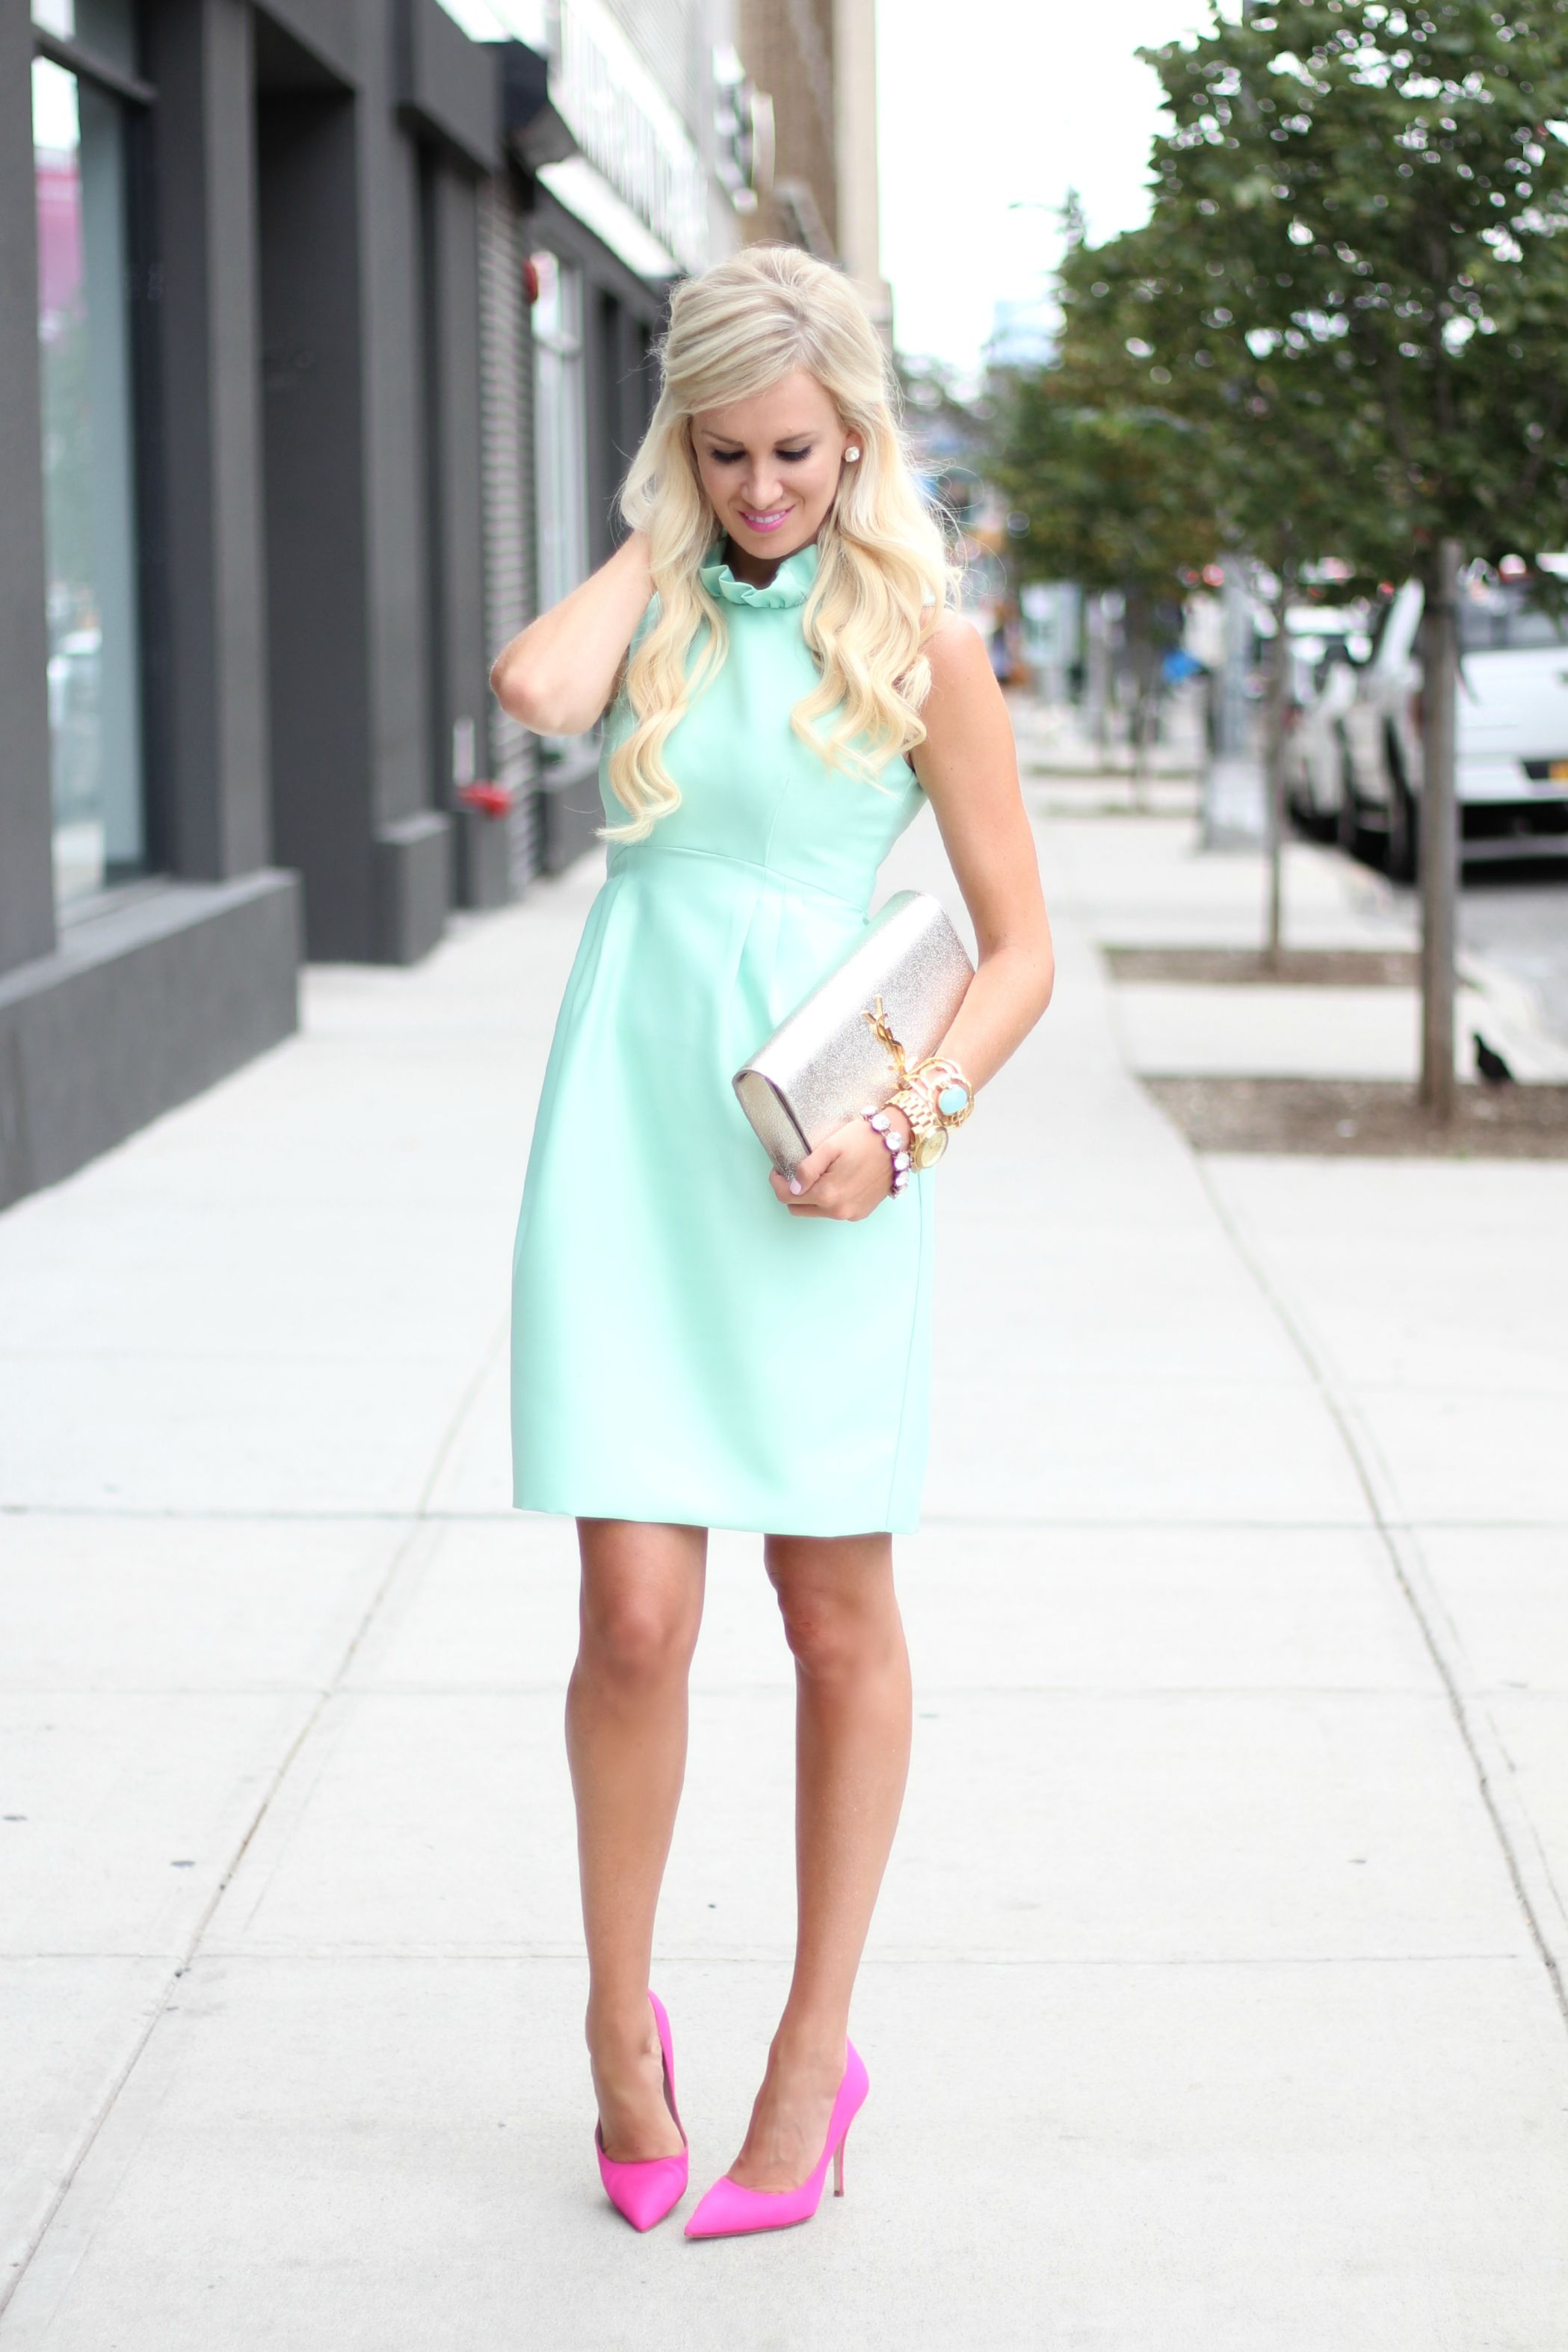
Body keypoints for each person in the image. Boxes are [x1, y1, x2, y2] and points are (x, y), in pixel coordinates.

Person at [489, 244, 1054, 2241]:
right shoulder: (651, 599)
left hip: (816, 1153)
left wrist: (906, 1128)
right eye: (723, 454)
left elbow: (1017, 953)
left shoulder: (921, 637)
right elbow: (533, 691)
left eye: (795, 453)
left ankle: (813, 2055)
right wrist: (662, 535)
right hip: (626, 1147)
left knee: (831, 1622)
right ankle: (615, 2031)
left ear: (858, 435)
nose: (762, 493)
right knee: (633, 1617)